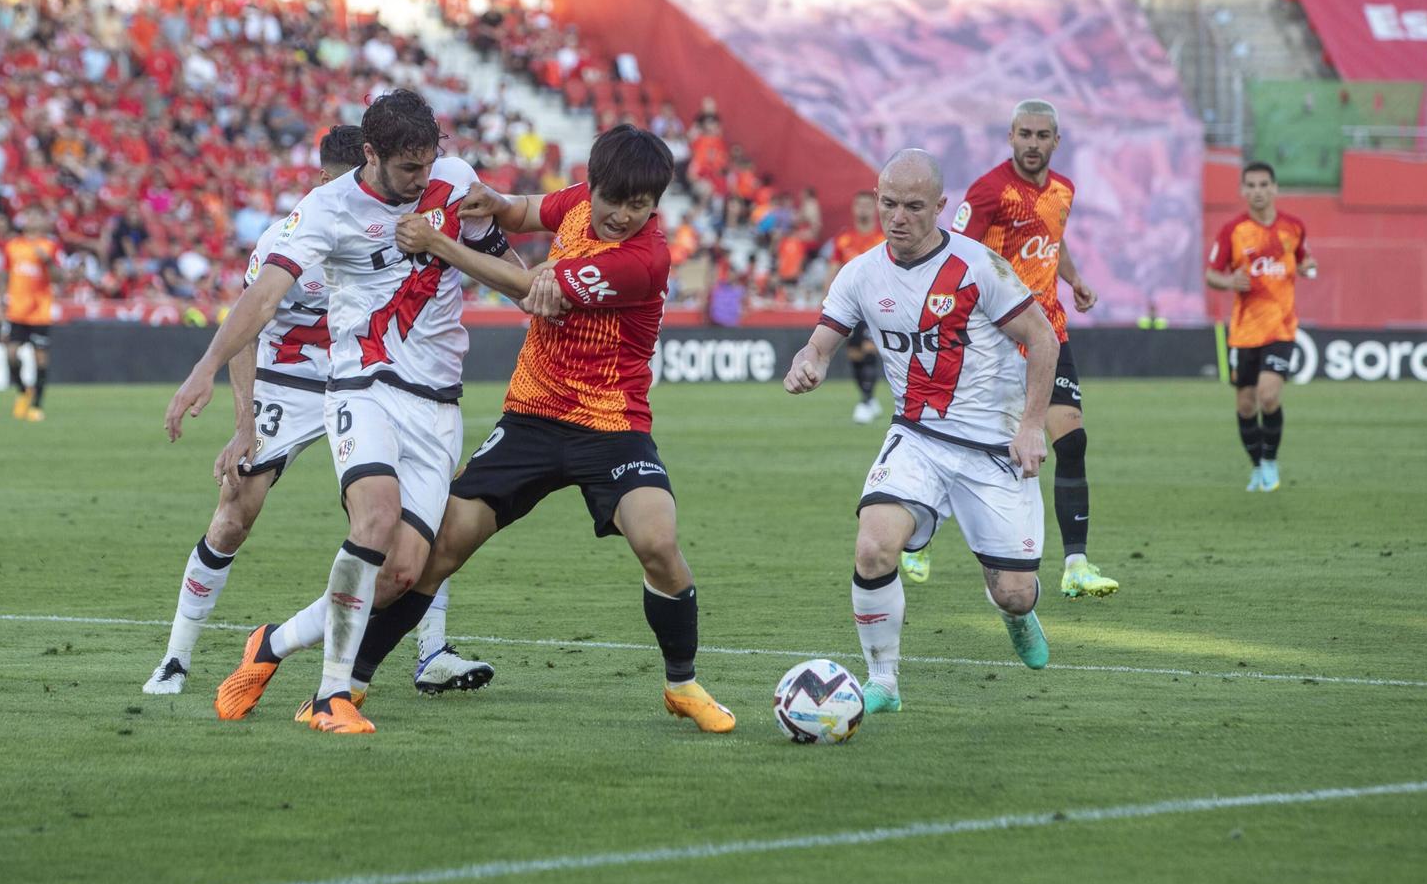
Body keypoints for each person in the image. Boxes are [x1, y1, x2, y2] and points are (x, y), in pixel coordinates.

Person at [246, 123, 737, 733]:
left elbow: (532, 289)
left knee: (658, 543)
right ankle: (353, 682)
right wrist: (497, 205)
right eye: (615, 201)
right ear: (597, 186)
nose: (623, 216)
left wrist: (439, 240)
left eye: (642, 206)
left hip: (612, 424)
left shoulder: (645, 258)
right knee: (434, 553)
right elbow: (532, 210)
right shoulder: (584, 201)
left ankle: (682, 684)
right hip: (531, 416)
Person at [163, 89, 509, 734]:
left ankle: (270, 644)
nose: (420, 180)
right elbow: (262, 297)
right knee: (371, 518)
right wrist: (202, 370)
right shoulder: (325, 210)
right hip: (363, 385)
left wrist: (537, 284)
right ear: (371, 155)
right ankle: (330, 697)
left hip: (437, 406)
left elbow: (499, 254)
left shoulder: (454, 181)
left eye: (428, 164)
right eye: (408, 169)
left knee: (402, 573)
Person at [783, 150, 1060, 716]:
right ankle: (882, 678)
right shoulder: (860, 273)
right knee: (873, 544)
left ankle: (1015, 611)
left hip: (994, 447)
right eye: (888, 204)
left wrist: (1033, 426)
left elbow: (1044, 339)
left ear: (940, 206)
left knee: (1015, 590)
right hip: (918, 437)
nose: (898, 217)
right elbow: (820, 341)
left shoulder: (979, 267)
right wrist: (807, 361)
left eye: (913, 206)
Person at [950, 100, 1118, 600]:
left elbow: (1053, 239)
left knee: (1071, 441)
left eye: (1042, 135)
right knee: (970, 445)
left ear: (1056, 142)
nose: (1032, 143)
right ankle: (919, 535)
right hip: (997, 337)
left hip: (1049, 332)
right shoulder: (988, 190)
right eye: (1024, 133)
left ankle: (1076, 564)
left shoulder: (1063, 190)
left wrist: (1075, 279)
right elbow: (957, 255)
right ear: (1010, 136)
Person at [1206, 161, 1315, 493]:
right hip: (1244, 332)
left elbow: (1303, 256)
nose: (1257, 191)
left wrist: (1309, 265)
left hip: (1281, 327)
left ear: (1275, 188)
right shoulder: (1232, 231)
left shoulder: (1293, 227)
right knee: (1245, 405)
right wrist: (1229, 281)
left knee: (1269, 395)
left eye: (1263, 185)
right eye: (1250, 185)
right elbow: (1212, 274)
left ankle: (1270, 460)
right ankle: (1256, 465)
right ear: (1243, 190)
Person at [823, 190, 887, 426]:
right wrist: (827, 303)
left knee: (870, 350)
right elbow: (833, 271)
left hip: (875, 307)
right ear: (854, 209)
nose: (863, 209)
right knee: (855, 354)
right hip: (851, 308)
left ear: (876, 209)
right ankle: (868, 400)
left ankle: (866, 401)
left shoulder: (883, 239)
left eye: (868, 205)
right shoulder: (843, 240)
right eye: (859, 205)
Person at [1, 206, 62, 422]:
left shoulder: (50, 246)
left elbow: (58, 279)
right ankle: (22, 391)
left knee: (40, 358)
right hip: (16, 311)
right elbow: (5, 275)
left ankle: (37, 405)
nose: (33, 219)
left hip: (39, 311)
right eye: (30, 215)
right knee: (10, 354)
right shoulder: (12, 246)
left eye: (38, 215)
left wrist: (47, 261)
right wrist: (2, 303)